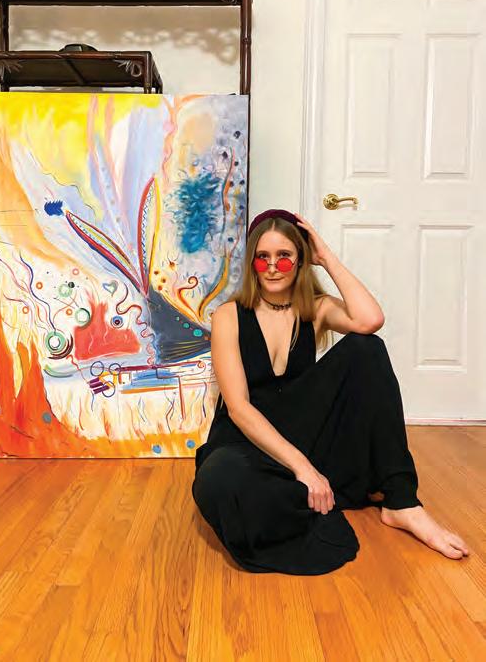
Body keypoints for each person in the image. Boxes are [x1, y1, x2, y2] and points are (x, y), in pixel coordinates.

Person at [191, 208, 469, 575]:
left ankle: (402, 503)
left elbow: (370, 320)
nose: (272, 267)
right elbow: (239, 409)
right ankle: (307, 488)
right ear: (252, 263)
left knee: (366, 348)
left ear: (300, 260)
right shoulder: (229, 315)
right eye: (262, 258)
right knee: (218, 480)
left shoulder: (316, 309)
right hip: (247, 441)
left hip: (301, 431)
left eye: (284, 256)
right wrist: (305, 469)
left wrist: (326, 259)